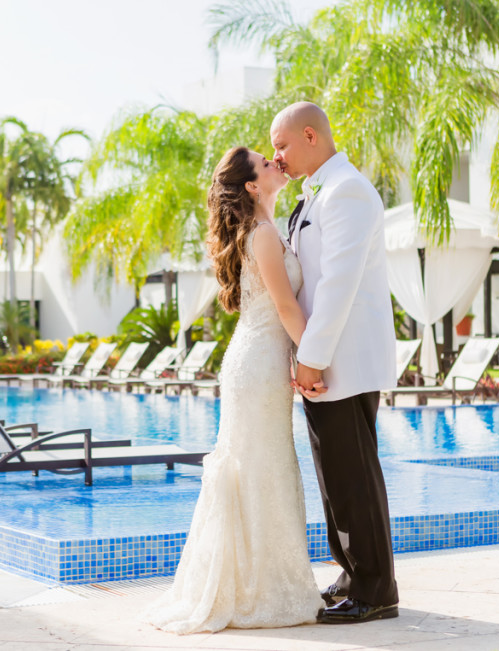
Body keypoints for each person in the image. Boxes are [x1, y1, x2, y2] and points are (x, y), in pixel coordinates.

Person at [145, 146, 323, 634]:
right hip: (259, 366)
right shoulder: (263, 235)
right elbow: (287, 309)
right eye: (265, 164)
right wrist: (312, 360)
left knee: (263, 466)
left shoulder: (266, 230)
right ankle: (256, 590)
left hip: (256, 361)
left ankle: (260, 582)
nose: (275, 164)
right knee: (262, 466)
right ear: (250, 185)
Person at [271, 102, 399, 624]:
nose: (276, 156)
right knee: (335, 475)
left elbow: (338, 286)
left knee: (353, 477)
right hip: (325, 364)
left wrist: (311, 357)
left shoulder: (346, 190)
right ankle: (352, 573)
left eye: (281, 145)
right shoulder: (318, 190)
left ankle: (375, 590)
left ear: (309, 135)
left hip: (340, 359)